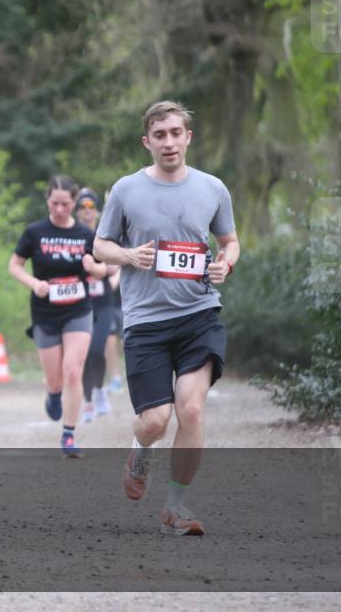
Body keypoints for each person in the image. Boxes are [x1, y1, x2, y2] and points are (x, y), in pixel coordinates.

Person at [93, 100, 240, 536]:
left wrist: (225, 264)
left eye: (176, 133)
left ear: (188, 137)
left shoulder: (213, 188)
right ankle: (140, 448)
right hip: (146, 321)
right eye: (160, 135)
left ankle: (177, 507)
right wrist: (128, 255)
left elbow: (230, 242)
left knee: (191, 409)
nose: (169, 142)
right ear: (147, 142)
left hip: (199, 313)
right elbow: (100, 247)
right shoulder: (125, 190)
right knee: (156, 420)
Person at [9, 176, 108, 457]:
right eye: (55, 203)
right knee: (55, 380)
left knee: (73, 370)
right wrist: (34, 284)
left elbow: (104, 270)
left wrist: (94, 267)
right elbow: (14, 265)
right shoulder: (34, 232)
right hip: (44, 312)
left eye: (66, 204)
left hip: (79, 309)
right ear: (47, 200)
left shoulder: (86, 235)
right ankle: (53, 394)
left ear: (74, 203)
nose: (60, 209)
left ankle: (69, 434)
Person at [74, 188, 115, 423]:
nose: (87, 211)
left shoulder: (105, 236)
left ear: (98, 211)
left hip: (104, 303)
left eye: (91, 206)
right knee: (84, 354)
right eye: (82, 207)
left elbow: (117, 264)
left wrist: (114, 278)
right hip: (80, 305)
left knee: (98, 349)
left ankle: (99, 391)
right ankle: (88, 401)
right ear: (77, 211)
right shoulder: (73, 238)